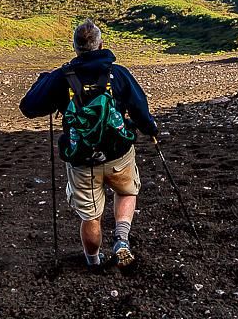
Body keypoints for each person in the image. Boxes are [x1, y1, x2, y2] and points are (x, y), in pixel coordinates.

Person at [20, 20, 159, 269]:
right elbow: (139, 108)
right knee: (126, 191)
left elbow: (29, 107)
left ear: (75, 47)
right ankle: (121, 239)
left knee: (91, 214)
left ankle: (94, 262)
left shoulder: (61, 78)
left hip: (82, 158)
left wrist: (43, 81)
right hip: (118, 153)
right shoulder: (119, 74)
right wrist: (151, 130)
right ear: (101, 44)